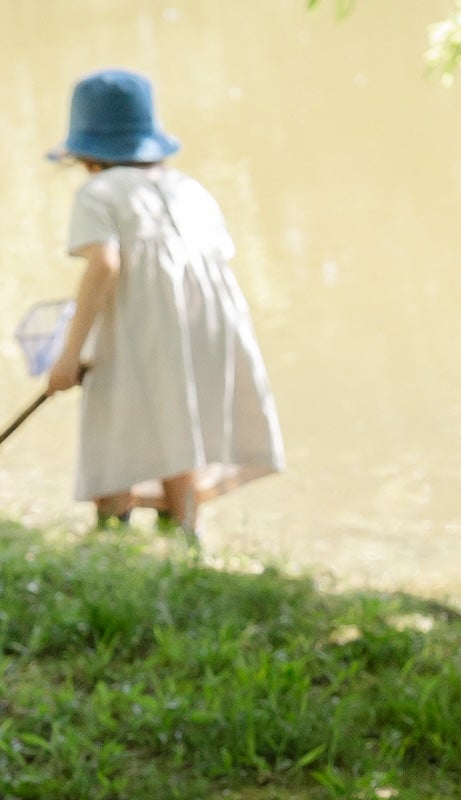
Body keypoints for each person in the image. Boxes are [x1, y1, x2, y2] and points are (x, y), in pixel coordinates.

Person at [45, 69, 284, 540]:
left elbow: (105, 266)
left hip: (141, 331)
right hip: (206, 330)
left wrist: (69, 355)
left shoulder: (98, 193)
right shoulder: (189, 190)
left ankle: (111, 529)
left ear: (86, 151)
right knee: (181, 414)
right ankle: (184, 528)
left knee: (115, 420)